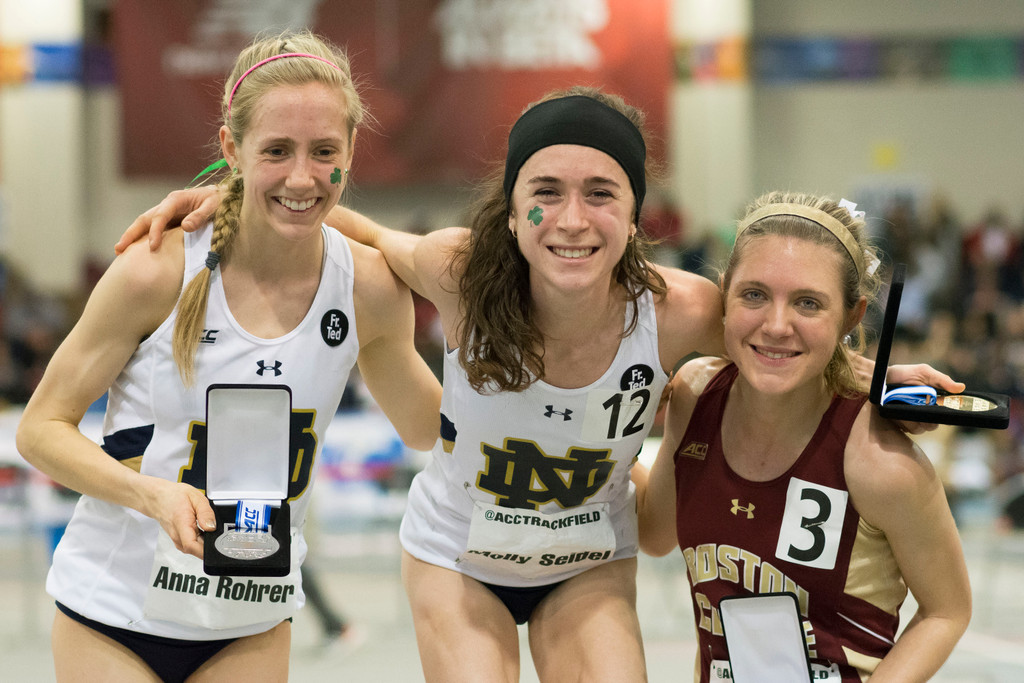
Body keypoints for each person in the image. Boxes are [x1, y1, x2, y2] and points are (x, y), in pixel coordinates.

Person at [121, 89, 962, 682]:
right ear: (512, 205)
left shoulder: (678, 311)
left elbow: (778, 333)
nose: (570, 220)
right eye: (545, 193)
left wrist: (867, 375)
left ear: (636, 214)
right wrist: (220, 198)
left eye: (601, 195)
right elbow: (350, 220)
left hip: (587, 558)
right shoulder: (457, 269)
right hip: (458, 556)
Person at [17, 30, 440, 683]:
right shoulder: (155, 271)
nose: (302, 175)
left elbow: (428, 429)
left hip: (251, 620)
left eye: (324, 151)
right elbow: (39, 430)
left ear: (351, 152)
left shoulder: (370, 289)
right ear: (230, 148)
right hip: (114, 611)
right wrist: (150, 494)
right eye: (276, 151)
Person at [635, 192, 972, 682]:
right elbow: (654, 531)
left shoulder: (880, 462)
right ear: (725, 294)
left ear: (853, 317)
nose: (776, 325)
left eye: (808, 303)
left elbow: (947, 611)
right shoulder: (695, 395)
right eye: (754, 294)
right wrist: (607, 434)